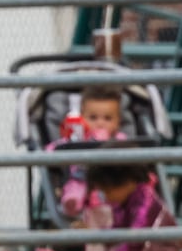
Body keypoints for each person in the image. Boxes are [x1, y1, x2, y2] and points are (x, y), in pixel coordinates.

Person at [49, 85, 128, 218]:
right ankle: (72, 204)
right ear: (82, 118)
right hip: (81, 177)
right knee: (74, 187)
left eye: (107, 118)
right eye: (93, 118)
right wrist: (51, 151)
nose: (100, 123)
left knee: (122, 188)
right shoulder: (78, 137)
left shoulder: (120, 139)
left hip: (111, 180)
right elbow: (59, 146)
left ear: (118, 122)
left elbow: (132, 150)